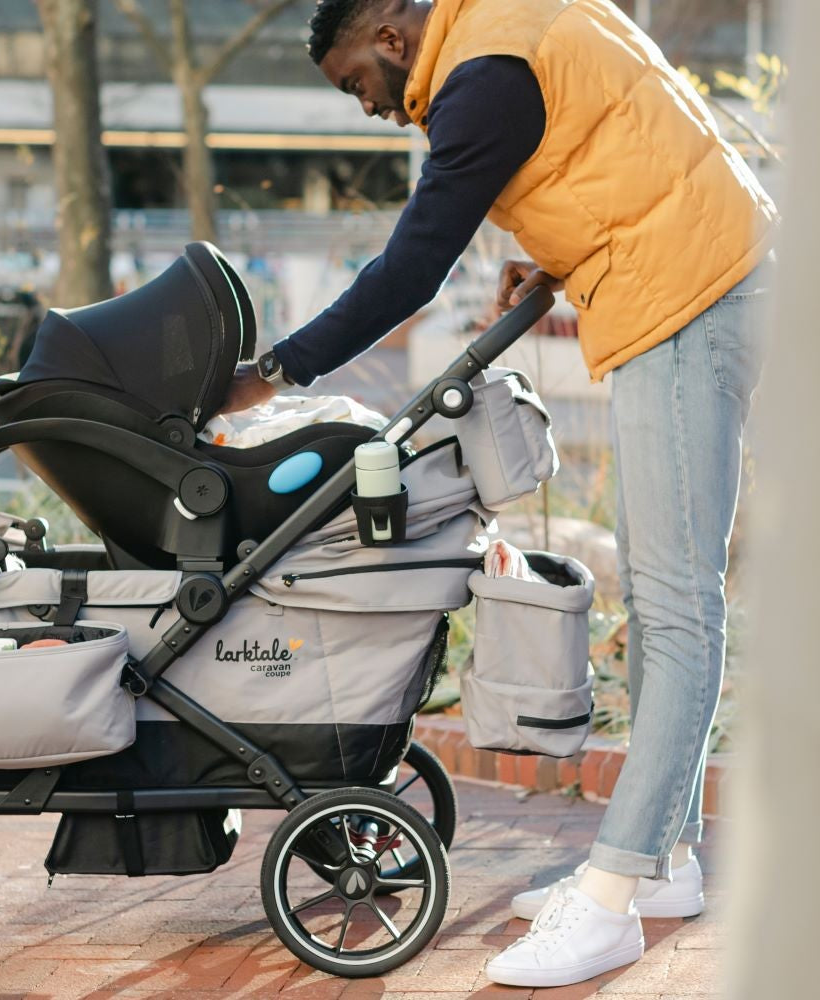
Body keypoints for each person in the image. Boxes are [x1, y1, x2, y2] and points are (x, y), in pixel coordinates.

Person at [221, 0, 776, 988]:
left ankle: (608, 901)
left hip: (682, 295)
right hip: (692, 274)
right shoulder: (505, 23)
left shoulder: (477, 80)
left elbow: (408, 270)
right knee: (658, 605)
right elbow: (610, 126)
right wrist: (559, 247)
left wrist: (273, 370)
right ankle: (663, 862)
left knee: (677, 606)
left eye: (355, 82)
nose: (365, 106)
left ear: (391, 39)